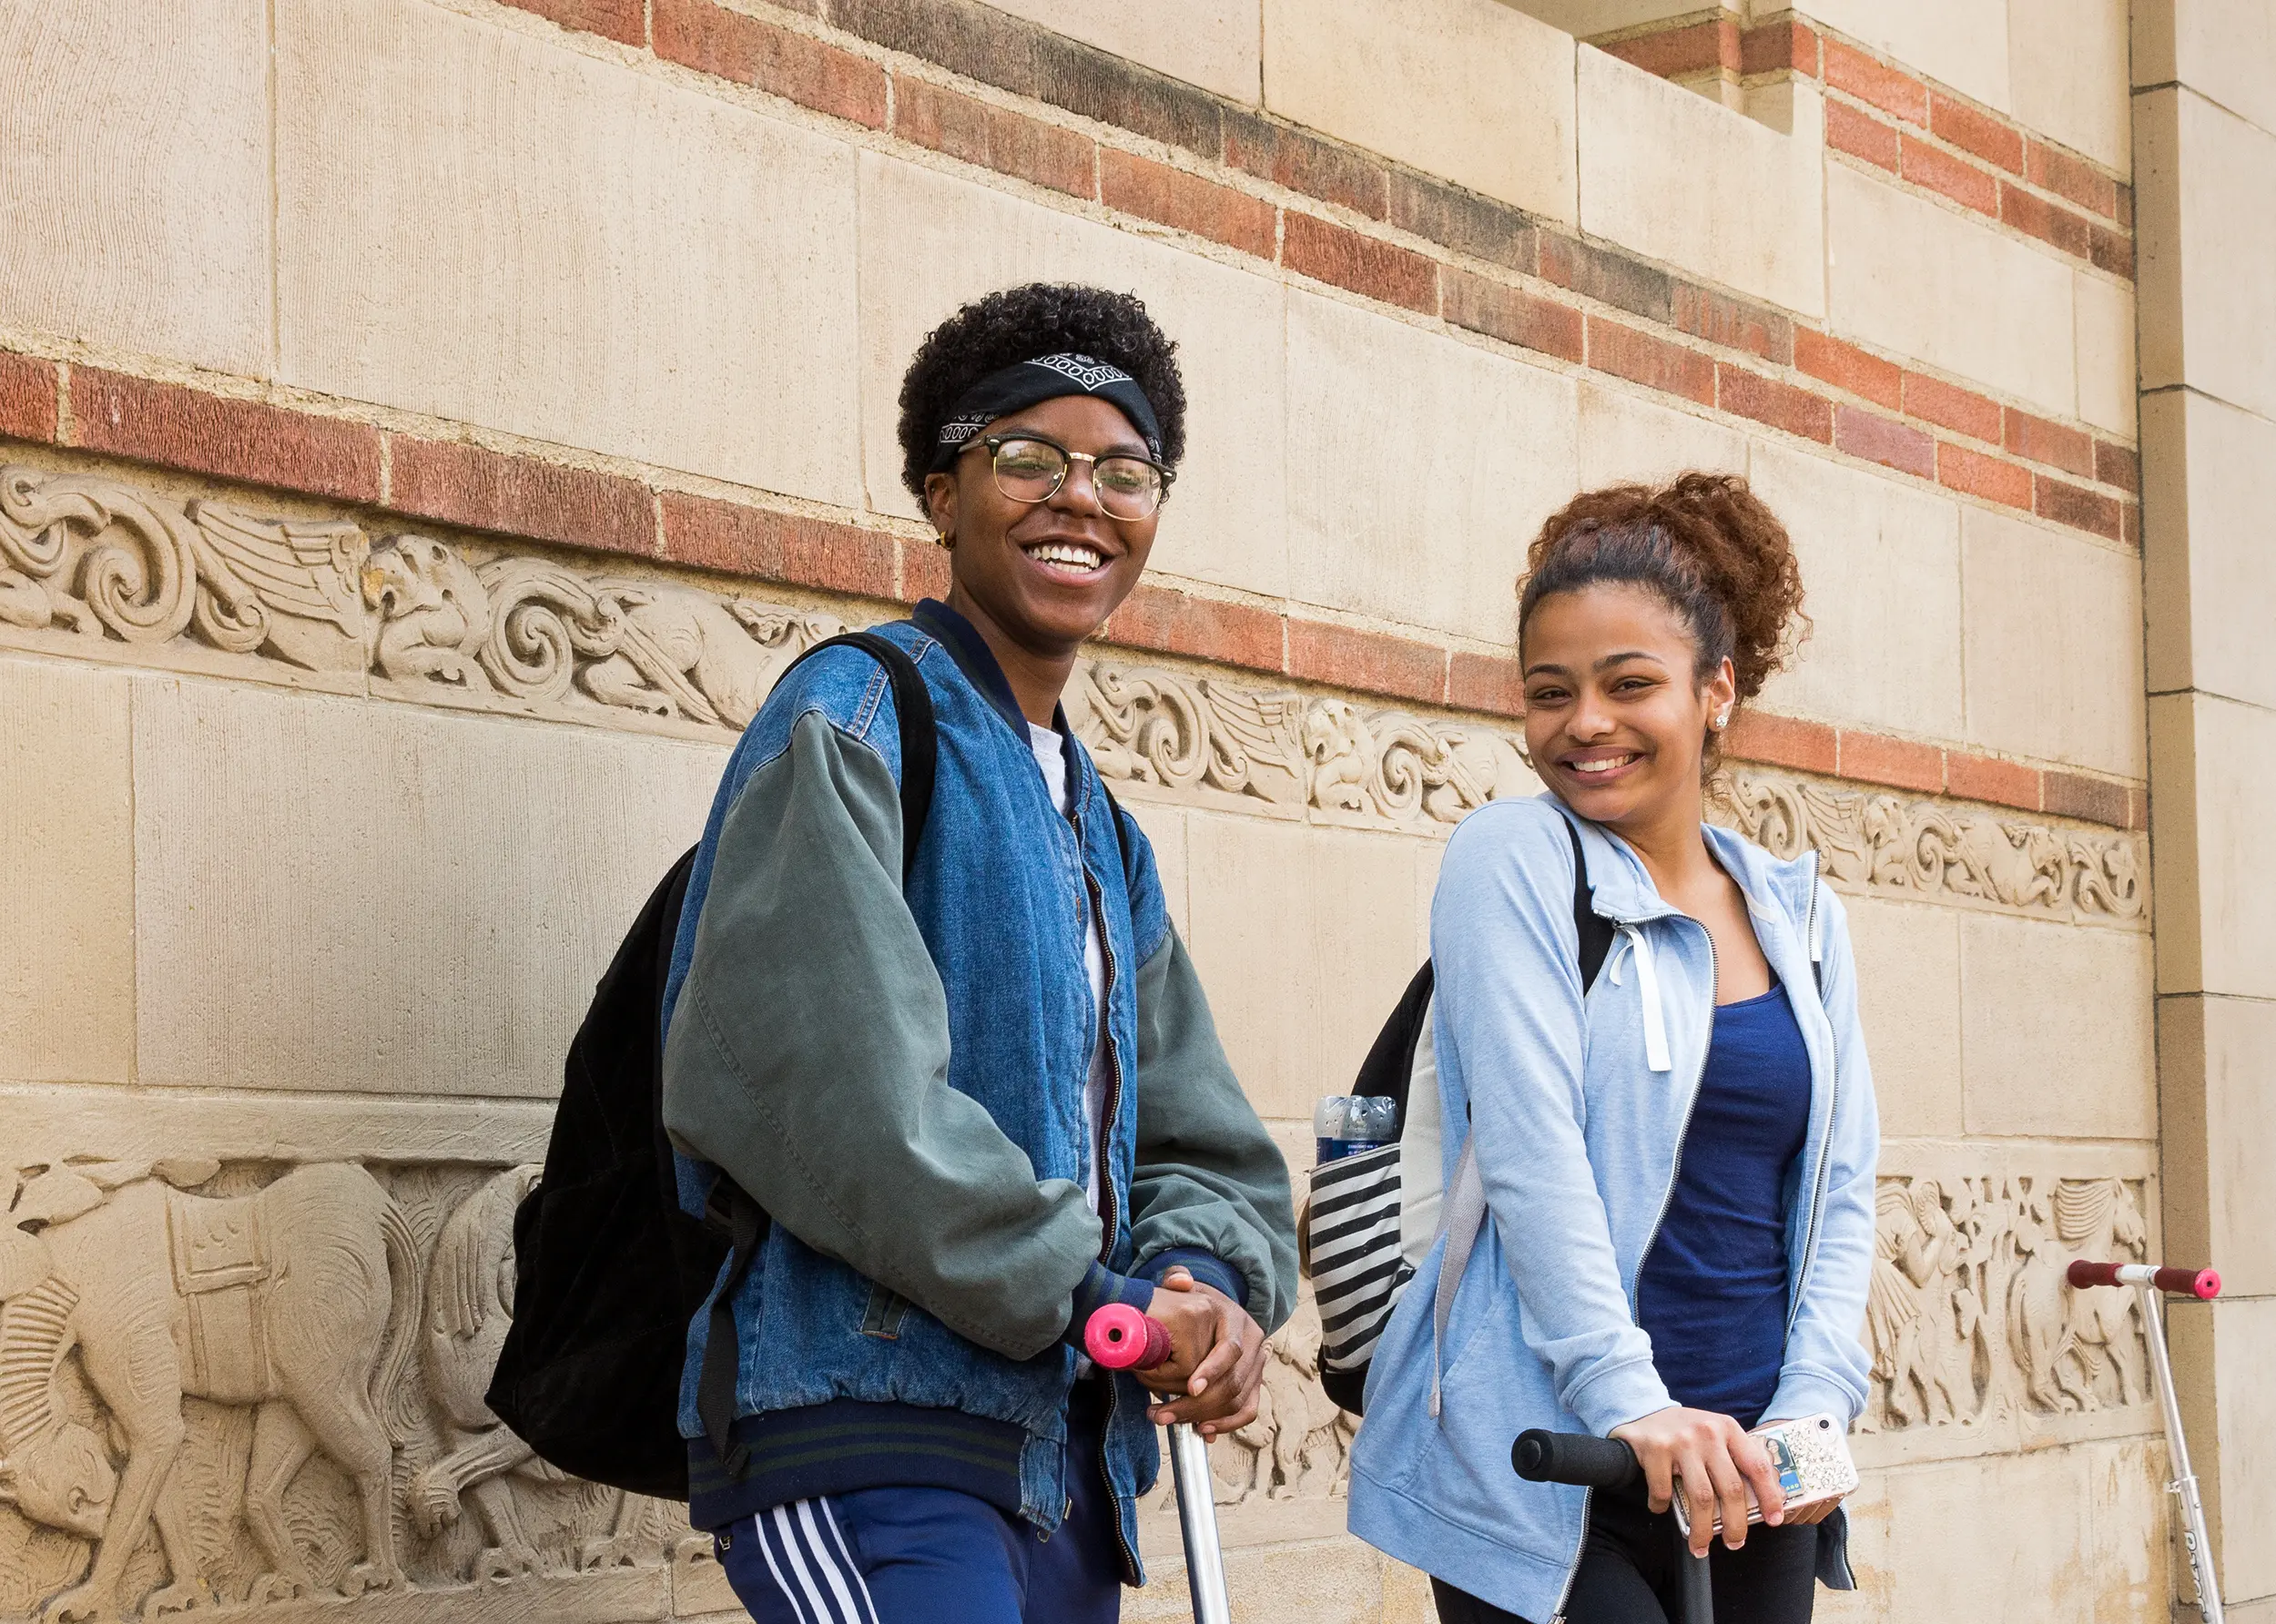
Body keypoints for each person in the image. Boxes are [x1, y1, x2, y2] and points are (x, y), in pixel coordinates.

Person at [659, 282, 1297, 1624]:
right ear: (941, 494)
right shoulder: (855, 716)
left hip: (1063, 1458)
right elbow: (839, 1100)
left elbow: (1202, 1141)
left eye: (1126, 472)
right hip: (869, 1430)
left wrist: (1207, 1291)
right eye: (1027, 459)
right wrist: (1092, 1292)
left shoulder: (1102, 827)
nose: (1083, 499)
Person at [1347, 475, 1880, 1624]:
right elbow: (1534, 1156)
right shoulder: (1512, 860)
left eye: (1628, 682)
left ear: (1717, 690)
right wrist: (1628, 1399)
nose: (1583, 722)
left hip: (1749, 1474)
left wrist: (1813, 1402)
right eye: (1550, 692)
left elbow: (1839, 1191)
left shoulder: (1799, 915)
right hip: (1559, 1461)